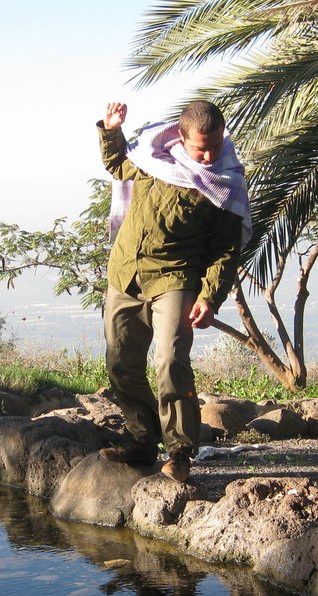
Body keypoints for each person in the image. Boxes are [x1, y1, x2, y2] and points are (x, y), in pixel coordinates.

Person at [97, 99, 251, 483]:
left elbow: (226, 250)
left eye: (216, 144)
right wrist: (111, 130)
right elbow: (117, 165)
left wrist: (209, 297)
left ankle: (180, 452)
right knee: (121, 364)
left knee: (171, 361)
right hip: (126, 274)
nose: (210, 154)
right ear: (182, 138)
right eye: (202, 147)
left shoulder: (224, 181)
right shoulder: (154, 159)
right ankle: (142, 439)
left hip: (176, 279)